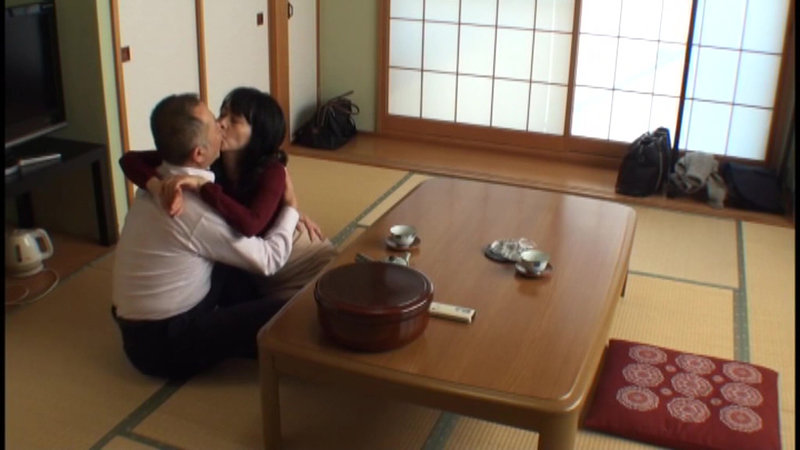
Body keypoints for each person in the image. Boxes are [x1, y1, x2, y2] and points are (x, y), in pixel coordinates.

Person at [112, 93, 301, 379]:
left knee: (231, 263)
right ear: (199, 154)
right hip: (163, 344)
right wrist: (291, 208)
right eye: (216, 122)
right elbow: (269, 259)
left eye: (228, 119)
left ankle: (240, 322)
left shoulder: (164, 176)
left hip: (138, 325)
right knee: (291, 312)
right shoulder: (191, 207)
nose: (221, 125)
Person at [120, 87, 336, 302]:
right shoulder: (210, 158)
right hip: (259, 267)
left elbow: (251, 225)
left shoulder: (273, 171)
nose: (221, 123)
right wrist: (159, 188)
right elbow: (130, 160)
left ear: (258, 134)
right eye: (222, 114)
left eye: (234, 120)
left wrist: (203, 186)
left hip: (301, 266)